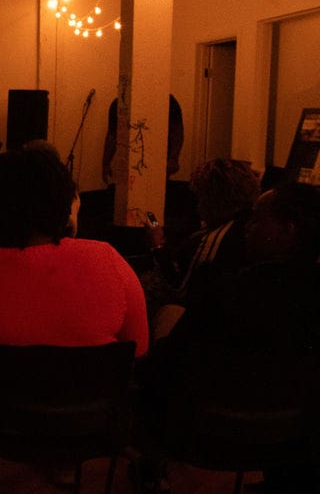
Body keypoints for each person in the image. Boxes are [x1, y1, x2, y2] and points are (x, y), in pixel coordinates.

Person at [0, 147, 149, 480]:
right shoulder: (110, 260)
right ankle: (64, 461)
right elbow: (138, 348)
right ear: (64, 203)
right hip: (87, 422)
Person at [137, 182, 320, 492]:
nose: (246, 228)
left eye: (256, 220)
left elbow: (165, 369)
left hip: (212, 437)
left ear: (288, 230)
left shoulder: (225, 292)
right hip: (297, 439)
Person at [141, 158, 260, 334]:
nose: (197, 206)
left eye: (200, 196)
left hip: (211, 325)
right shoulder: (247, 224)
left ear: (213, 199)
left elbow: (180, 289)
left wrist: (157, 245)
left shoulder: (217, 238)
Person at [102, 94, 184, 185]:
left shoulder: (167, 101)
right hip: (129, 163)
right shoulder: (120, 103)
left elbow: (177, 131)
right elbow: (112, 135)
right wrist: (105, 164)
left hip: (159, 162)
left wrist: (173, 158)